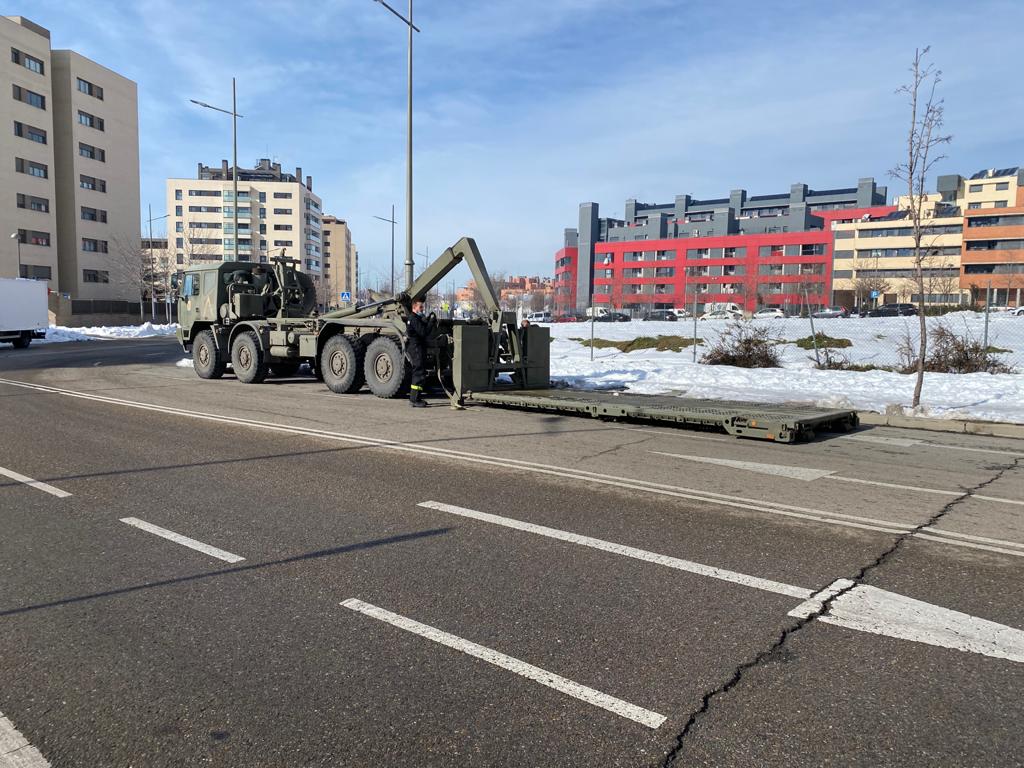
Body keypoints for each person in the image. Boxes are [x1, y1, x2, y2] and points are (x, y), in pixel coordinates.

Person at [406, 296, 435, 407]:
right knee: (418, 372)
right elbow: (423, 332)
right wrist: (431, 322)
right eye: (420, 307)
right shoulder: (413, 319)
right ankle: (414, 399)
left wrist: (427, 319)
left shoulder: (415, 318)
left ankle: (416, 398)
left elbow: (422, 327)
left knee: (420, 372)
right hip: (416, 348)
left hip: (417, 347)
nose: (422, 309)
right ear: (414, 307)